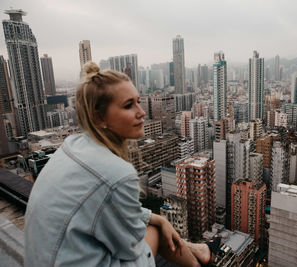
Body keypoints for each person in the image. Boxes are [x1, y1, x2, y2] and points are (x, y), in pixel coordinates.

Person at [24, 62, 216, 267]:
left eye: (138, 102)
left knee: (157, 225)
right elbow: (132, 251)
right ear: (99, 117)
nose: (141, 112)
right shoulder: (117, 173)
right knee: (155, 233)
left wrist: (159, 218)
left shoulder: (72, 146)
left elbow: (110, 210)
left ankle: (196, 249)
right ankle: (198, 261)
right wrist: (158, 226)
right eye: (128, 105)